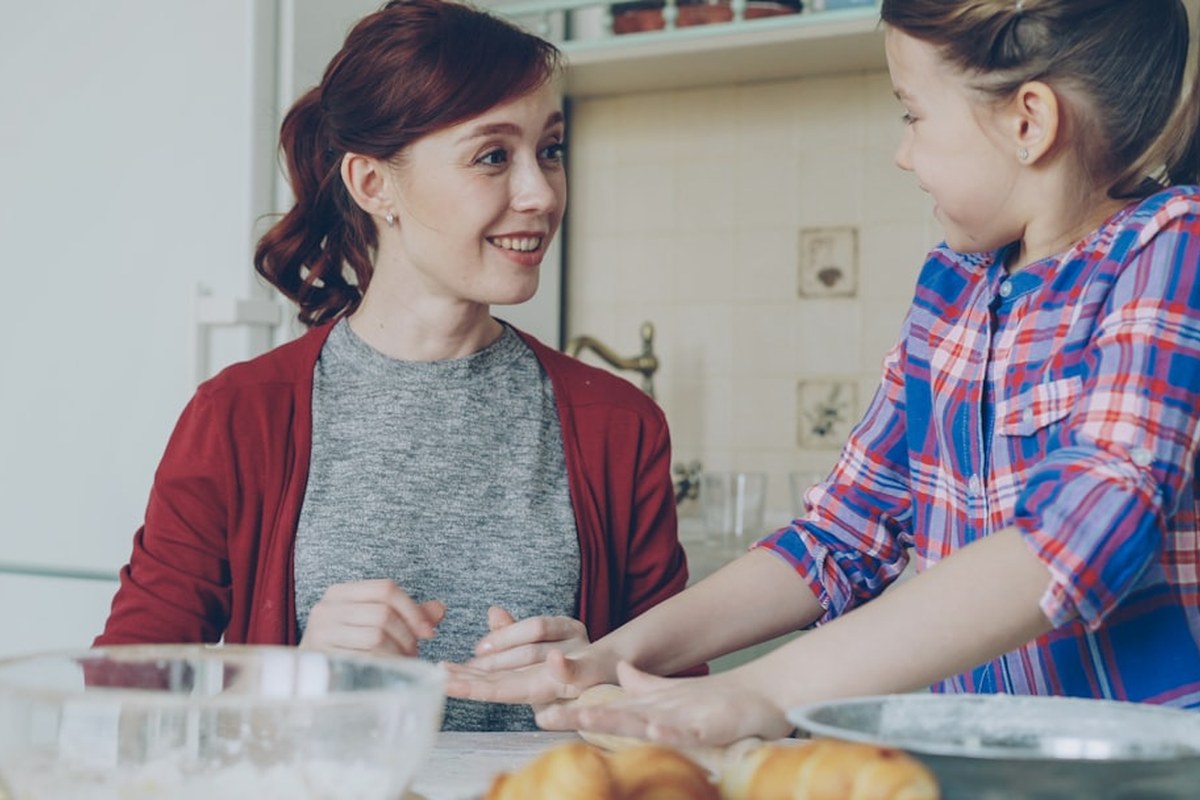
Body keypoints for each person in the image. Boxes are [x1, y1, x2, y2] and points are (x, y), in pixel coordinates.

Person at [444, 0, 1200, 745]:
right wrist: (612, 656)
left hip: (1150, 768)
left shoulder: (1171, 247)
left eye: (912, 114)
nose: (903, 153)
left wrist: (767, 689)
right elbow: (840, 536)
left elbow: (1085, 528)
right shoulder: (953, 287)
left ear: (1028, 121)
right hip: (978, 763)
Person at [95, 0, 696, 732]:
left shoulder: (619, 424)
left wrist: (603, 678)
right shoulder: (239, 416)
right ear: (374, 184)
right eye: (493, 156)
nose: (541, 194)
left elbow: (685, 713)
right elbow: (118, 707)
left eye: (550, 150)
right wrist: (291, 678)